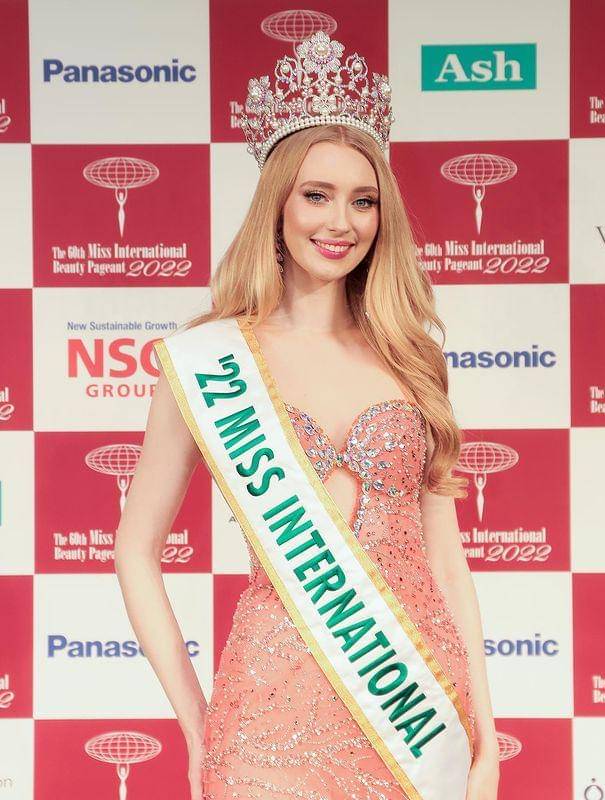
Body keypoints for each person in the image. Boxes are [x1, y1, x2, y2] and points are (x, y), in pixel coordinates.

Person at [115, 31, 499, 800]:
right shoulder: (209, 360)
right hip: (264, 718)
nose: (341, 221)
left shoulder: (412, 357)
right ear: (278, 205)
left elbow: (446, 561)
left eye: (363, 200)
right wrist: (196, 726)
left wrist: (485, 737)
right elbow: (135, 550)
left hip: (414, 710)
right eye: (316, 195)